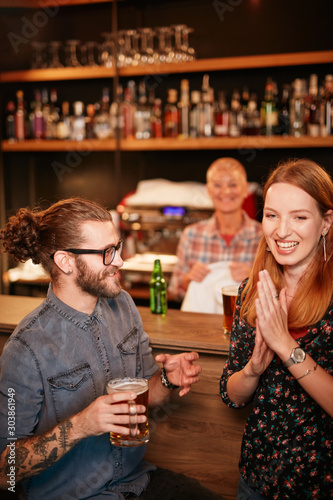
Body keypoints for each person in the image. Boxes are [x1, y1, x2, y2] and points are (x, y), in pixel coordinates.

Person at [0, 197, 225, 500]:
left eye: (117, 248)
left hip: (134, 482)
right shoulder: (25, 348)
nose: (119, 261)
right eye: (107, 252)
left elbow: (149, 395)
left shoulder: (123, 305)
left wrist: (168, 379)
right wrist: (82, 425)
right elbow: (5, 471)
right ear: (66, 261)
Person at [220, 158, 333, 499]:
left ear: (326, 222)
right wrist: (253, 369)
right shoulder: (253, 290)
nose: (282, 231)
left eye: (299, 217)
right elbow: (231, 396)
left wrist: (285, 346)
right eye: (272, 215)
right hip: (257, 479)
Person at [168, 157, 262, 303]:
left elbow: (279, 291)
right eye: (218, 185)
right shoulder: (191, 235)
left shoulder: (263, 237)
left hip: (247, 324)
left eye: (233, 184)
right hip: (200, 323)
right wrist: (187, 281)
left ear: (246, 189)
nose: (225, 191)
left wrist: (254, 279)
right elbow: (174, 291)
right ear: (208, 190)